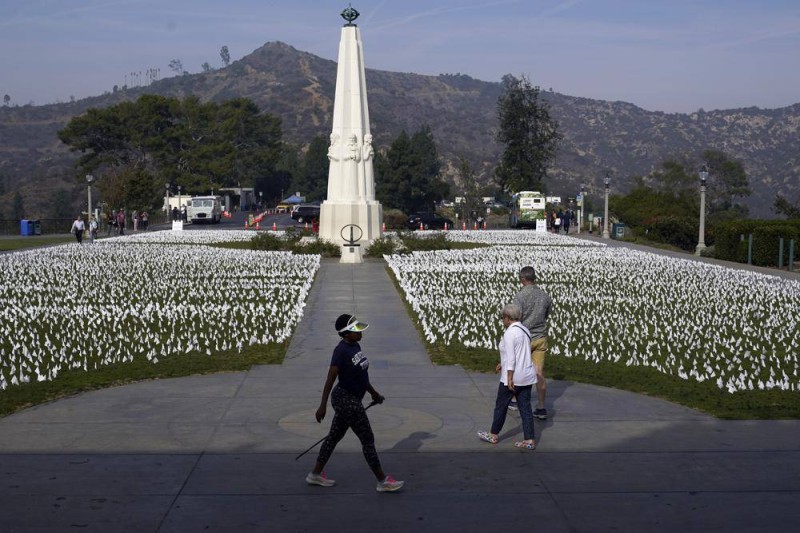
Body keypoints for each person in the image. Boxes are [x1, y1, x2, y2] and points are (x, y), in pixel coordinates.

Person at [306, 314, 404, 492]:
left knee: (334, 436)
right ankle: (383, 481)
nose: (360, 332)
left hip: (352, 398)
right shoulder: (341, 351)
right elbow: (330, 379)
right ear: (345, 334)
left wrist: (374, 394)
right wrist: (322, 405)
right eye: (356, 330)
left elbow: (361, 376)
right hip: (345, 399)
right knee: (367, 439)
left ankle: (315, 475)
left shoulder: (355, 346)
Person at [477, 303, 537, 449]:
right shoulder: (525, 330)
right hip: (527, 375)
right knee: (525, 408)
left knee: (501, 406)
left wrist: (509, 377)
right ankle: (530, 440)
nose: (502, 320)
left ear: (508, 318)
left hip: (513, 377)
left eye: (502, 318)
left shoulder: (510, 333)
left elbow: (512, 358)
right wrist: (502, 363)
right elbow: (520, 352)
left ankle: (493, 434)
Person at [513, 266, 552, 420]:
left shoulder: (520, 296)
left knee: (516, 368)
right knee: (539, 373)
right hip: (540, 338)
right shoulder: (545, 295)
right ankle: (541, 407)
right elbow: (547, 314)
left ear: (523, 279)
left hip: (524, 337)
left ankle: (515, 400)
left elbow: (516, 318)